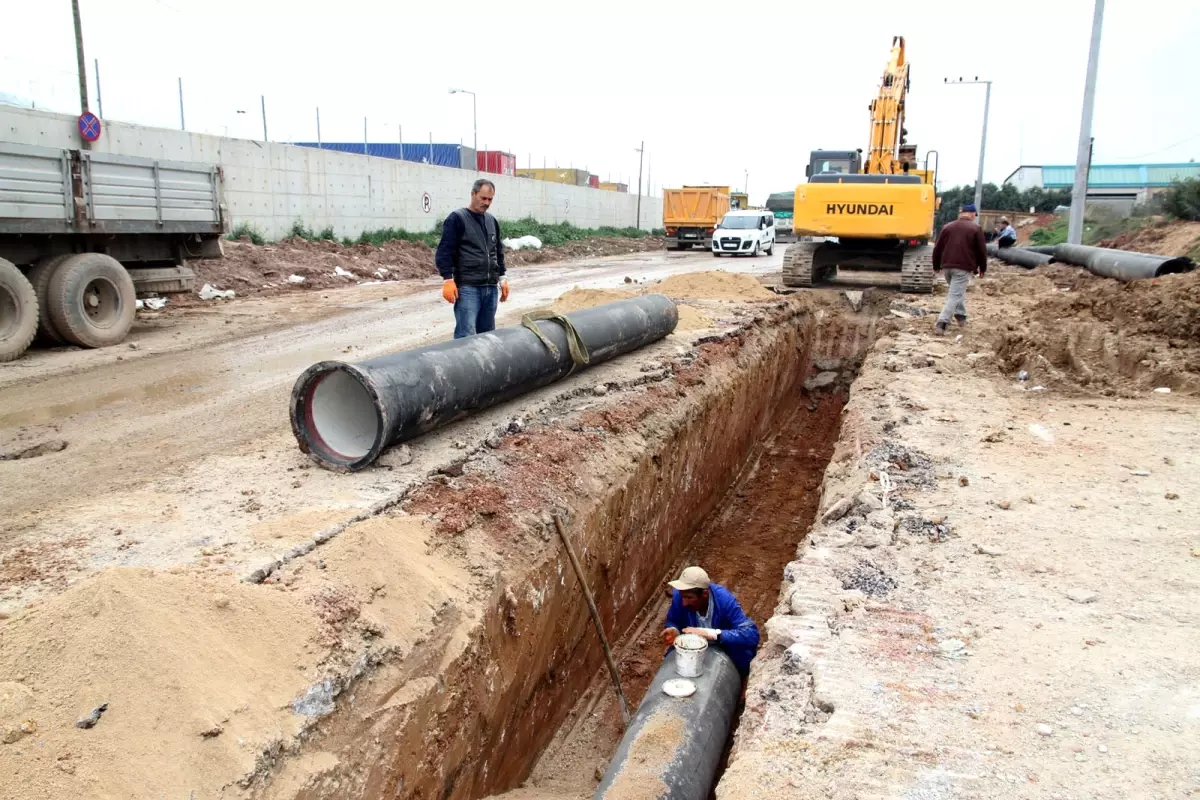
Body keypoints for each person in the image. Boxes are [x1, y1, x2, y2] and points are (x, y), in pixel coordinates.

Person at [435, 179, 510, 339]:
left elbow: (498, 251)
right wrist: (448, 279)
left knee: (488, 336)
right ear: (473, 194)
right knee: (465, 336)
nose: (487, 203)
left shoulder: (491, 221)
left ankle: (486, 364)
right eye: (483, 198)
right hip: (468, 288)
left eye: (490, 199)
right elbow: (445, 251)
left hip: (490, 288)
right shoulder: (457, 219)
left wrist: (502, 278)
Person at [661, 566, 760, 678]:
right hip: (693, 647)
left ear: (704, 594)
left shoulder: (724, 601)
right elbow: (672, 621)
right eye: (683, 597)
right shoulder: (680, 597)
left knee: (742, 653)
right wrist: (674, 630)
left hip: (723, 645)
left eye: (689, 598)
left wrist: (712, 634)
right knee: (670, 660)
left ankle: (743, 679)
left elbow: (751, 634)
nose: (684, 603)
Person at [932, 203, 988, 334]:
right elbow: (981, 251)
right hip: (963, 267)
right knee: (955, 295)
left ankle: (960, 316)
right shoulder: (975, 229)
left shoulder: (947, 227)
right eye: (975, 215)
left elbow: (937, 248)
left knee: (956, 292)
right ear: (973, 214)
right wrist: (982, 268)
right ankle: (942, 323)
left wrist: (936, 265)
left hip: (946, 267)